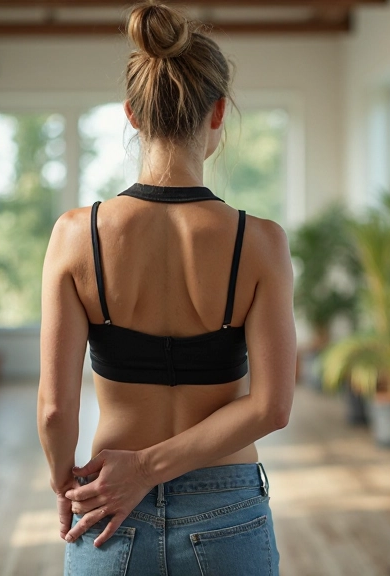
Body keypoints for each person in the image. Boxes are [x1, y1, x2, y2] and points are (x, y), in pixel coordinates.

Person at [37, 2, 296, 574]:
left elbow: (56, 410)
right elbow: (273, 406)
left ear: (132, 114)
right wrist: (150, 469)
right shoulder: (261, 242)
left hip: (106, 508)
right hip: (227, 506)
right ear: (218, 112)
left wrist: (66, 484)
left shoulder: (77, 236)